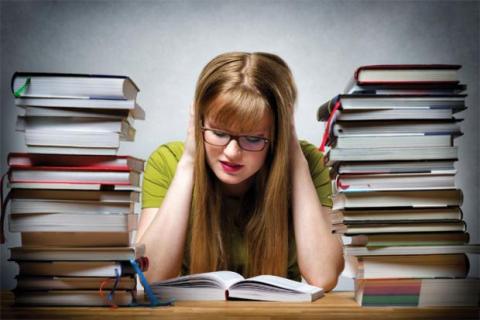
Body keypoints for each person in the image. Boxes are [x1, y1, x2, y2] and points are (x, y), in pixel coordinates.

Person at [136, 52, 344, 292]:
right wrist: (189, 162)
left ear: (278, 133)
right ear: (198, 121)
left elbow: (324, 276)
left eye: (254, 138)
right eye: (219, 133)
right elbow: (149, 276)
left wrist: (294, 156)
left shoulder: (307, 162)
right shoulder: (167, 162)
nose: (232, 152)